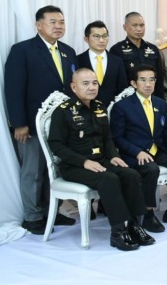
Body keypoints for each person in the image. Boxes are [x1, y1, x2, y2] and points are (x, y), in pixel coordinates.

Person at [47, 69, 153, 251]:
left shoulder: (99, 107)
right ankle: (118, 232)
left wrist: (114, 156)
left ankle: (135, 226)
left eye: (94, 83)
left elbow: (108, 139)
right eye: (85, 83)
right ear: (74, 87)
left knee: (131, 175)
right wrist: (83, 162)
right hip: (75, 165)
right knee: (109, 179)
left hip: (101, 161)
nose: (91, 87)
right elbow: (56, 145)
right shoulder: (63, 112)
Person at [4, 5, 77, 234]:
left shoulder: (68, 51)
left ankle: (51, 212)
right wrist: (19, 123)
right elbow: (14, 89)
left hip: (60, 125)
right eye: (53, 22)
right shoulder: (22, 50)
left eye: (62, 22)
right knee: (33, 170)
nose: (58, 26)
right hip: (31, 125)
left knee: (53, 169)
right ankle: (33, 216)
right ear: (38, 25)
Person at [110, 64, 167, 232]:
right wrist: (137, 151)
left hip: (158, 150)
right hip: (135, 153)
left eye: (152, 80)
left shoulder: (160, 103)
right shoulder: (122, 107)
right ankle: (148, 215)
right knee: (151, 169)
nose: (148, 84)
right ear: (133, 83)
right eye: (143, 80)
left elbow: (166, 129)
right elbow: (117, 138)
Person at [110, 12, 165, 97]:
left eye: (142, 25)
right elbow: (115, 79)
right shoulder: (117, 49)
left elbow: (159, 78)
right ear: (125, 27)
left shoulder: (153, 49)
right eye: (135, 25)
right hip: (129, 97)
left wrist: (160, 99)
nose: (139, 29)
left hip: (151, 97)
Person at [76, 20, 128, 106]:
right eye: (96, 36)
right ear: (86, 39)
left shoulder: (117, 61)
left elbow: (123, 89)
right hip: (86, 109)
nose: (101, 40)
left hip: (112, 110)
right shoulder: (78, 60)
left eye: (104, 36)